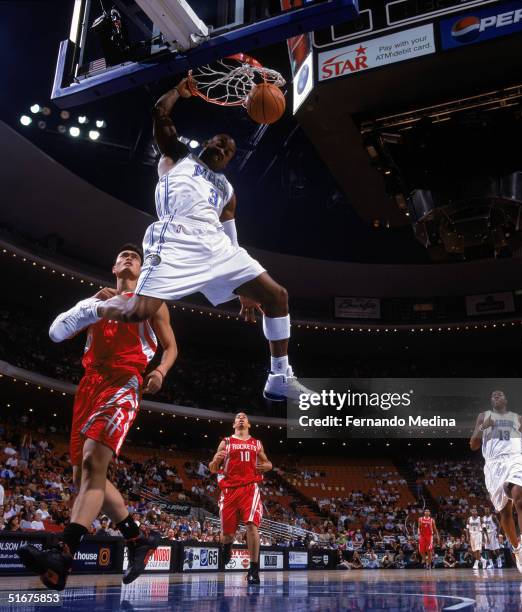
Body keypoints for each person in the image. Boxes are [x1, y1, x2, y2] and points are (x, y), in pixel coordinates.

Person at [70, 79, 311, 402]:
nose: (221, 149)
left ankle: (279, 376)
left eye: (227, 150)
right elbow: (159, 113)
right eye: (218, 143)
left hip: (214, 247)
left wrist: (243, 287)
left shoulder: (227, 191)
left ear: (229, 160)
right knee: (139, 312)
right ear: (207, 144)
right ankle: (93, 310)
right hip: (175, 240)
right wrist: (177, 92)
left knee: (276, 296)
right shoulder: (178, 157)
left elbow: (230, 236)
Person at [18, 244, 178, 590]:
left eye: (135, 256)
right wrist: (91, 306)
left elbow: (172, 346)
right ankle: (137, 540)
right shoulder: (98, 301)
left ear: (141, 268)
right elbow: (61, 331)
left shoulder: (153, 301)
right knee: (82, 477)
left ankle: (64, 551)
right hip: (90, 385)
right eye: (123, 255)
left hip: (124, 381)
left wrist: (161, 372)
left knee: (93, 464)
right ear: (114, 266)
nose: (129, 257)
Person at [470, 389, 522, 575]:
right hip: (494, 466)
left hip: (515, 460)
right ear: (491, 401)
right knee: (505, 513)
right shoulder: (483, 416)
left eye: (500, 394)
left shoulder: (518, 418)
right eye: (493, 395)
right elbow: (473, 444)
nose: (496, 396)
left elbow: (520, 440)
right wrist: (484, 427)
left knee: (520, 500)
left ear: (506, 399)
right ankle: (516, 551)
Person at [209, 412, 272, 584]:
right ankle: (226, 546)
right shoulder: (226, 442)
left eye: (244, 417)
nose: (241, 418)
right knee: (228, 534)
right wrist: (215, 461)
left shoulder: (256, 443)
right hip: (229, 490)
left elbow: (268, 463)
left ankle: (254, 569)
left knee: (251, 526)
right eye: (238, 417)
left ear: (249, 424)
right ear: (234, 424)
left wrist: (267, 465)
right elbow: (213, 468)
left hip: (250, 489)